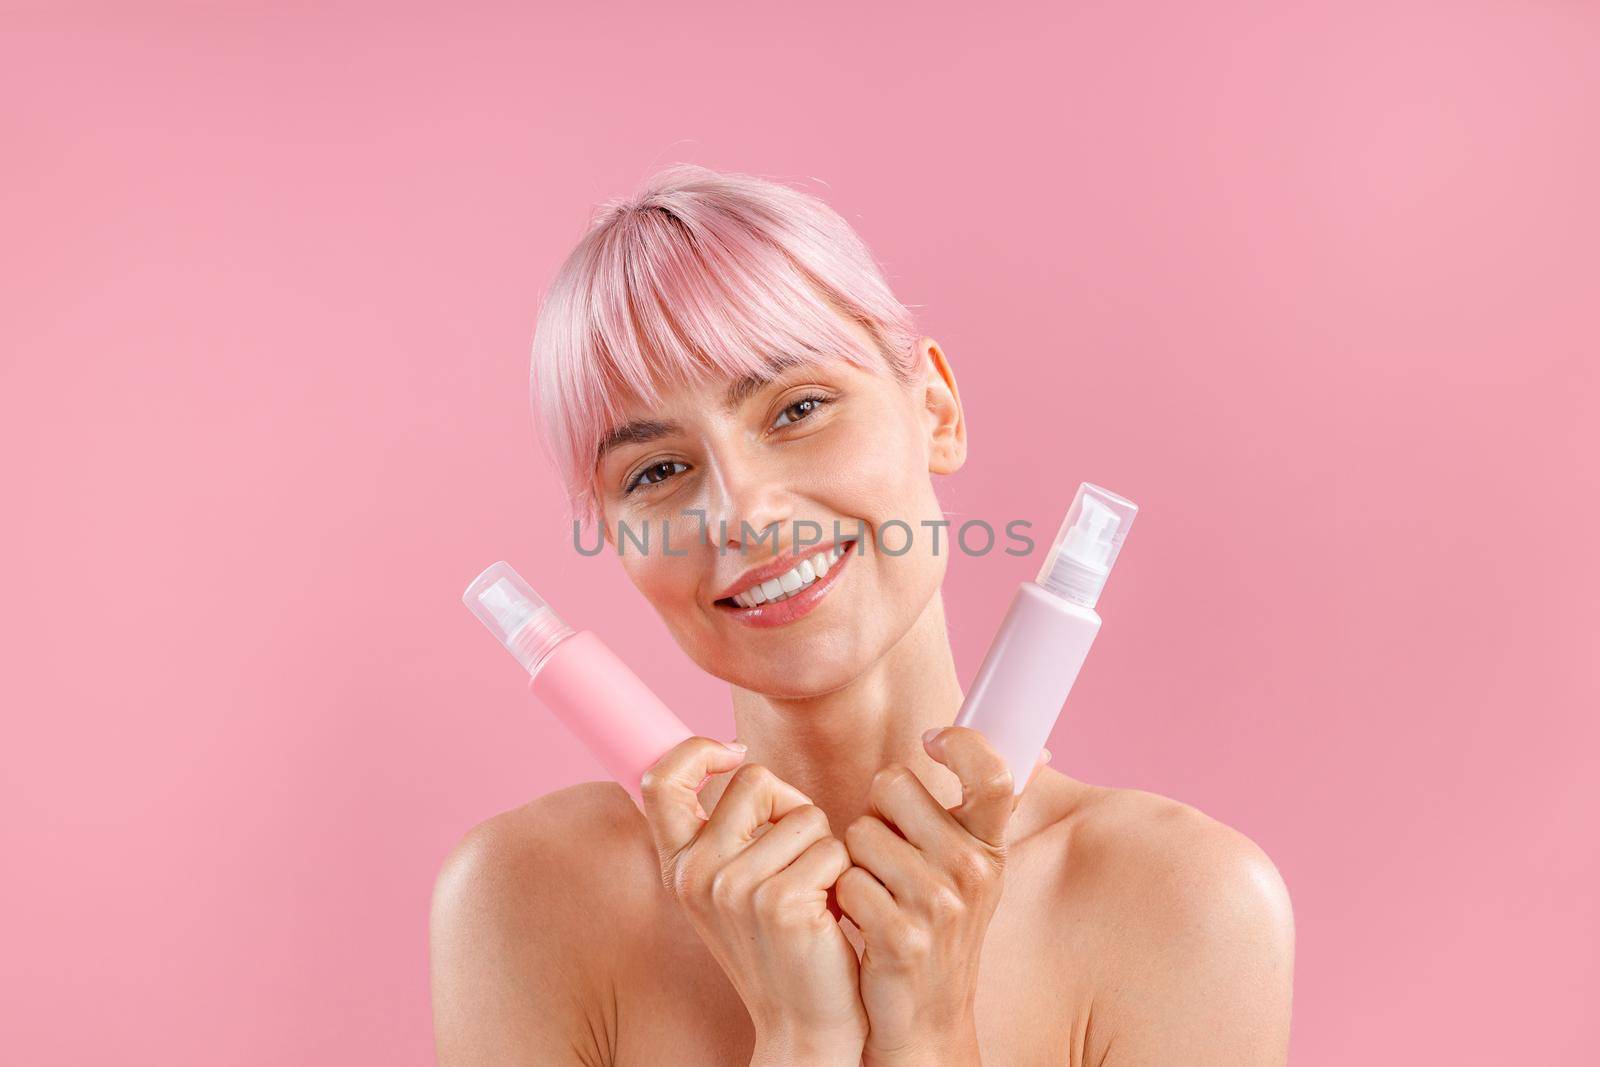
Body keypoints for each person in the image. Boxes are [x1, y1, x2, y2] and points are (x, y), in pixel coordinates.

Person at [430, 164, 1294, 1065]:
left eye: (798, 407)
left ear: (937, 408)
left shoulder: (1186, 905)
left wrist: (928, 1034)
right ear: (614, 538)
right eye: (655, 472)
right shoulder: (524, 901)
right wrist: (803, 1039)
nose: (744, 513)